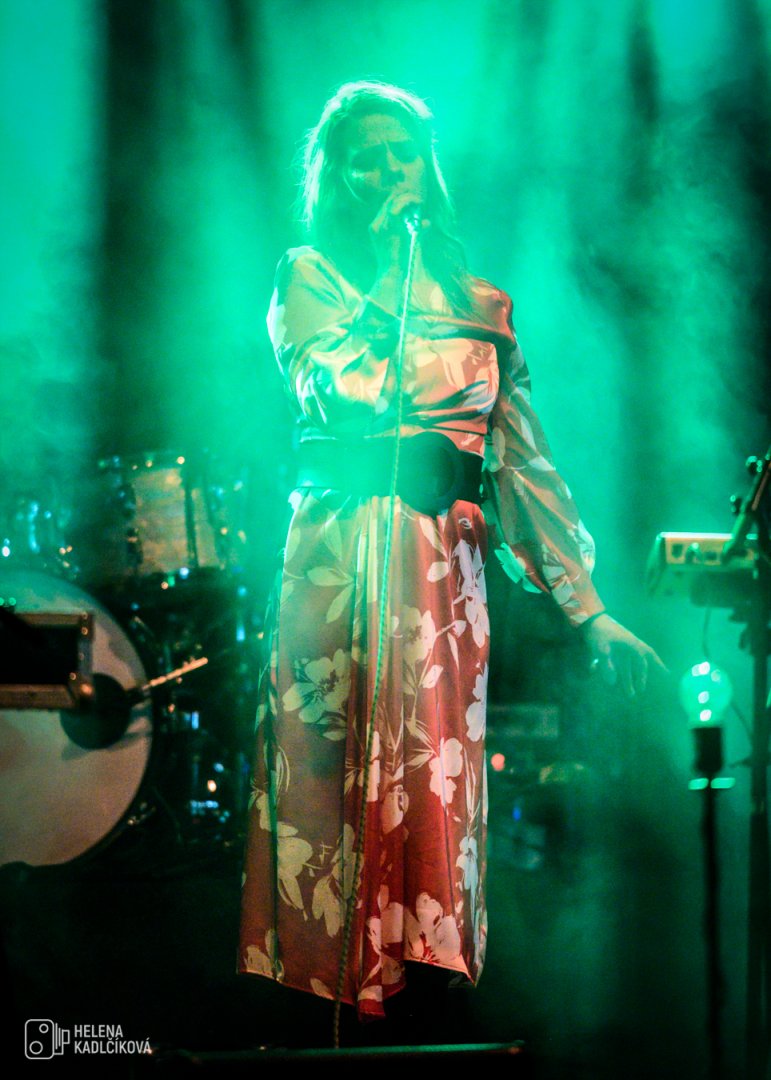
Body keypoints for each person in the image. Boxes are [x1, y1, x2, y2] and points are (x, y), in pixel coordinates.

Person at [238, 80, 662, 1040]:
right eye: (367, 157)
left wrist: (588, 609)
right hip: (340, 566)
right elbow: (344, 391)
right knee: (333, 790)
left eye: (403, 154)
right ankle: (322, 1014)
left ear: (426, 168)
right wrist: (395, 281)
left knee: (430, 785)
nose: (389, 171)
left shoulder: (484, 308)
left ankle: (419, 1005)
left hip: (442, 578)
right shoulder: (311, 278)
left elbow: (524, 467)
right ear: (335, 175)